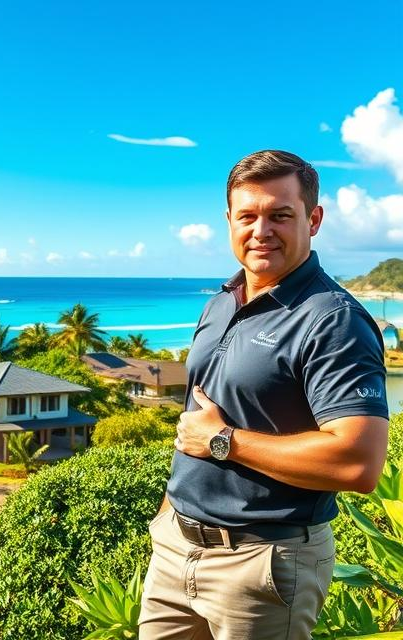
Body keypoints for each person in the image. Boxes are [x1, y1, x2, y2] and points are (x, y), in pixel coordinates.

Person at [138, 149, 390, 639]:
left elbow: (359, 462)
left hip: (262, 563)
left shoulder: (333, 320)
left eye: (280, 215)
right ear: (228, 220)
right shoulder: (219, 303)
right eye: (247, 216)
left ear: (313, 220)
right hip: (175, 550)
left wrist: (224, 440)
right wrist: (167, 516)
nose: (261, 230)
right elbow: (198, 415)